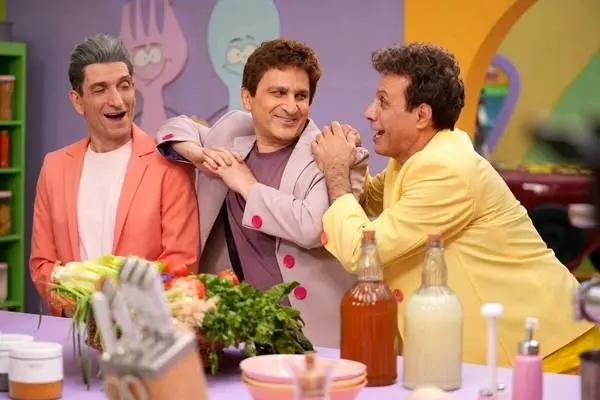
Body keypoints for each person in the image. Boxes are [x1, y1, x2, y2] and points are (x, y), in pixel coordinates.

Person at [311, 42, 598, 373]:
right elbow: (367, 200)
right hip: (510, 354)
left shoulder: (446, 169)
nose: (369, 112)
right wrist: (349, 162)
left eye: (383, 102)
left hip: (548, 352)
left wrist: (336, 170)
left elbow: (362, 251)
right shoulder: (415, 160)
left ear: (422, 115)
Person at [155, 39, 369, 347]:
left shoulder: (332, 153)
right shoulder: (233, 132)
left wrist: (247, 185)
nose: (291, 107)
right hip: (242, 333)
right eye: (278, 93)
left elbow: (313, 227)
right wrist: (196, 154)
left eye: (301, 95)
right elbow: (175, 127)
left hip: (314, 334)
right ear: (247, 97)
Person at [30, 34, 199, 316]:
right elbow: (42, 266)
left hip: (146, 330)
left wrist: (120, 311)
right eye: (100, 90)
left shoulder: (169, 164)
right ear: (77, 101)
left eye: (124, 85)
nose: (117, 100)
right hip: (75, 327)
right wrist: (84, 309)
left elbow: (181, 263)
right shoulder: (54, 167)